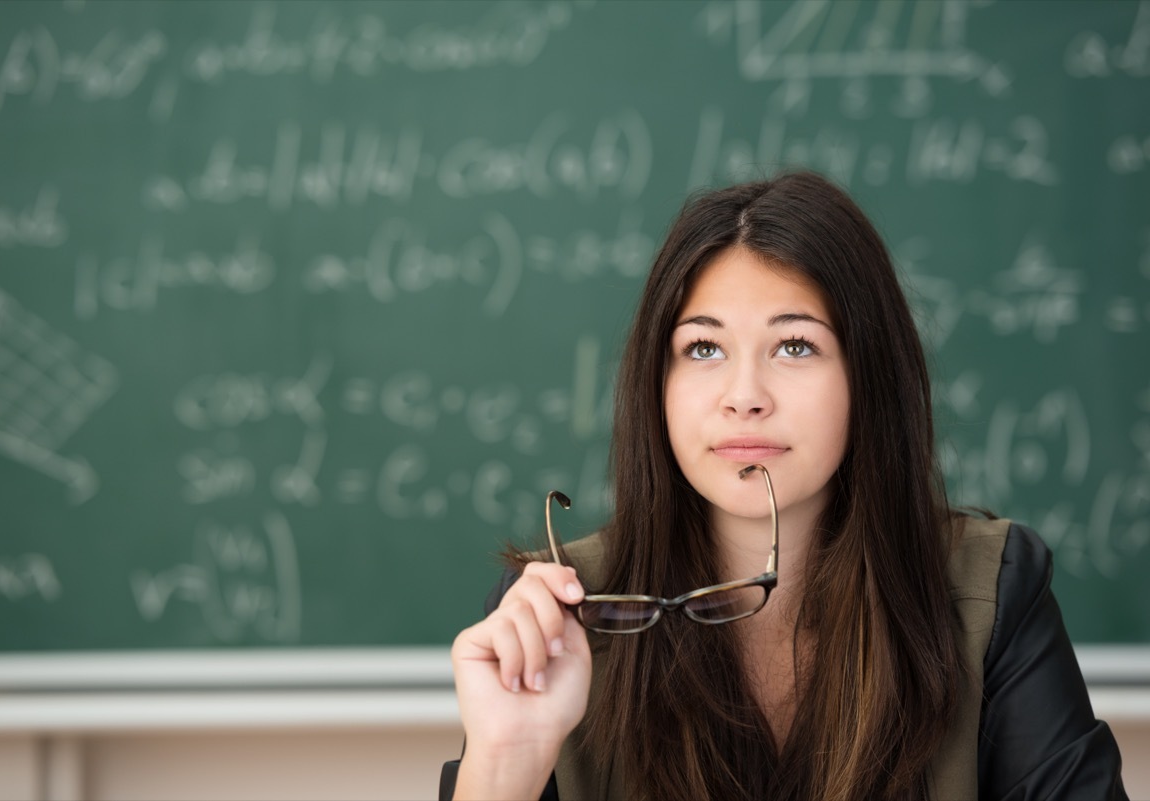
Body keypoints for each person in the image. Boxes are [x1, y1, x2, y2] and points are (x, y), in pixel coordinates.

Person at [442, 171, 1127, 801]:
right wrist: (505, 764)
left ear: (868, 376)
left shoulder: (993, 591)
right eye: (703, 349)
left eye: (795, 345)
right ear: (658, 384)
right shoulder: (553, 615)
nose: (744, 396)